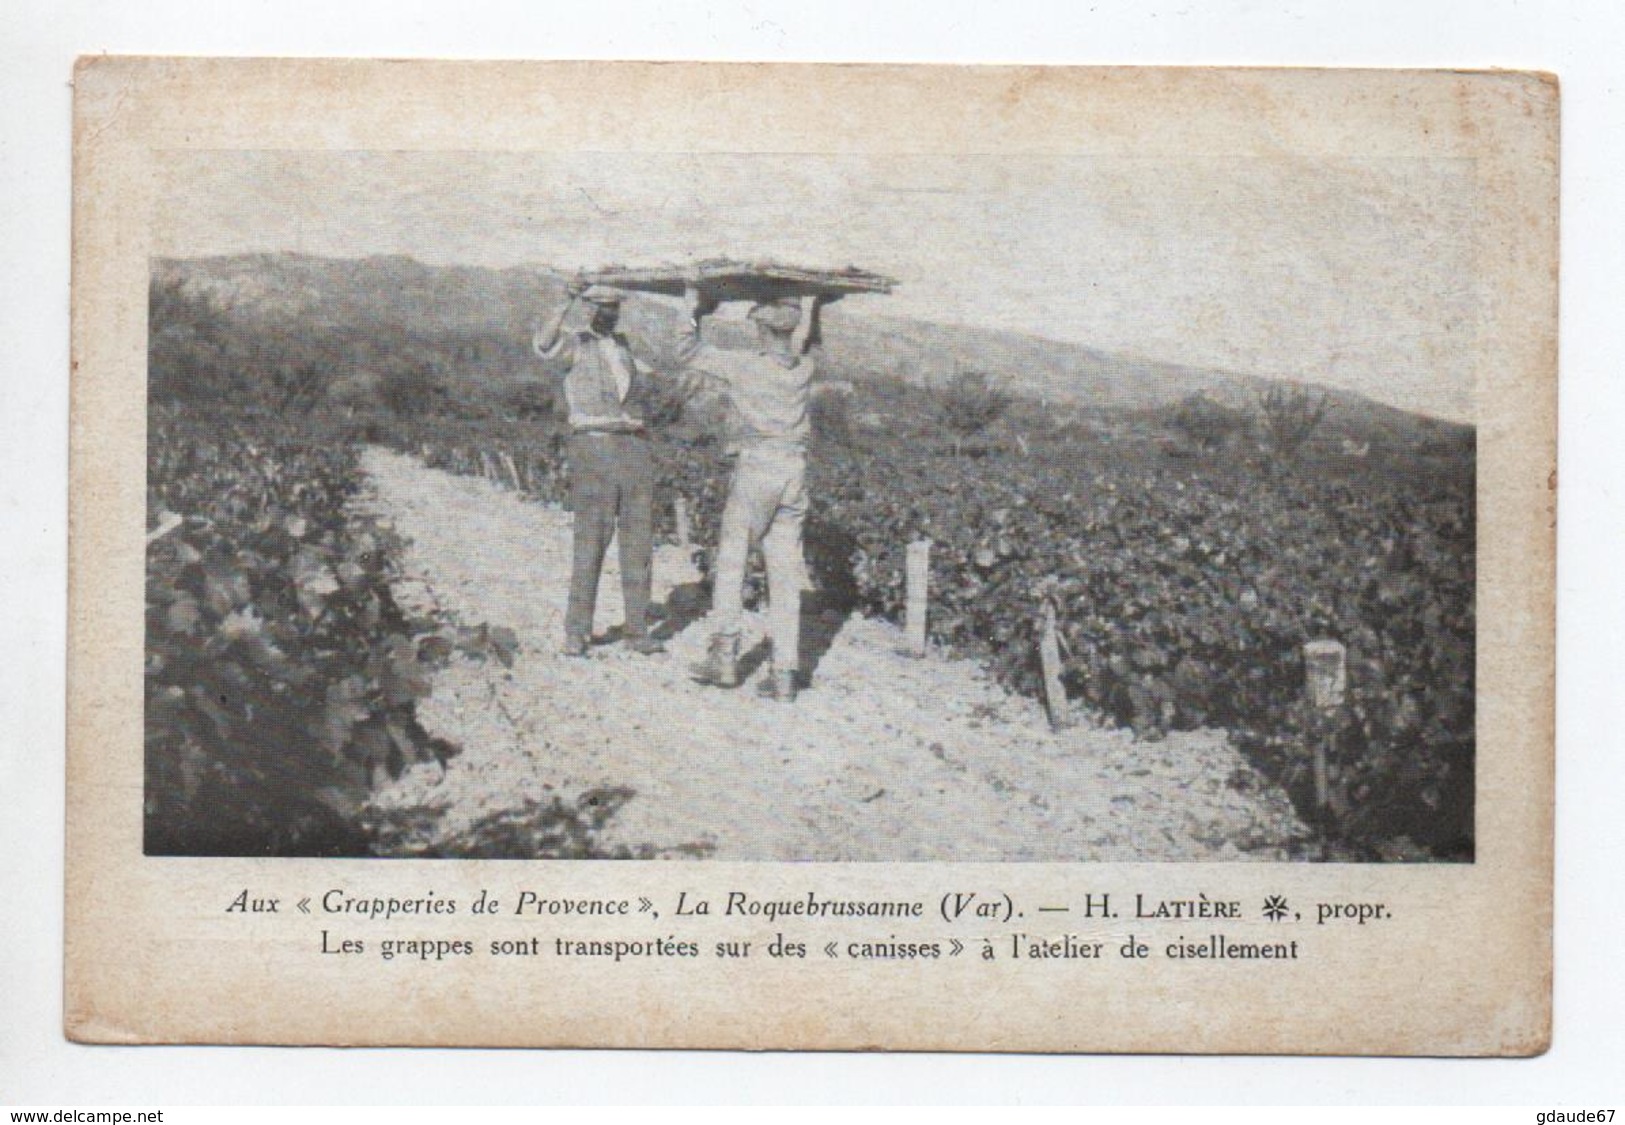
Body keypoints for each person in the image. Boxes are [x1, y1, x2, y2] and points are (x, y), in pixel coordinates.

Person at [675, 286, 823, 702]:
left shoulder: (745, 367)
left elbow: (685, 351)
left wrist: (691, 301)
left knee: (733, 559)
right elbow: (804, 341)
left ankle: (724, 657)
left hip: (758, 467)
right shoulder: (803, 369)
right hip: (794, 471)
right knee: (785, 571)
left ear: (759, 329)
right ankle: (784, 675)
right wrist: (811, 304)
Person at [532, 282, 664, 658]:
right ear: (589, 310)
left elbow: (660, 370)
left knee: (638, 539)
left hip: (634, 445)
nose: (608, 314)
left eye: (614, 308)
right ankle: (577, 630)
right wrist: (564, 301)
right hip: (593, 445)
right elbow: (543, 345)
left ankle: (638, 630)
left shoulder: (625, 347)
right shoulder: (575, 344)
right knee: (592, 537)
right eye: (601, 308)